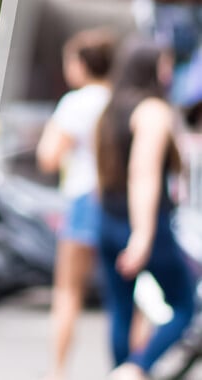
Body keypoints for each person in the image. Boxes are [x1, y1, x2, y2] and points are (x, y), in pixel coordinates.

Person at [96, 39, 195, 380]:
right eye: (165, 65)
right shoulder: (152, 110)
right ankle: (137, 367)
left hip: (108, 218)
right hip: (142, 224)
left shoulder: (112, 107)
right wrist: (142, 235)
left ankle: (121, 370)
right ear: (151, 68)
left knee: (121, 309)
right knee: (185, 304)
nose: (169, 73)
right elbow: (144, 175)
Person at [36, 29, 115, 380]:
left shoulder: (75, 103)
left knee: (69, 291)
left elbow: (48, 158)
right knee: (124, 293)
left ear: (81, 64)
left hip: (83, 199)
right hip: (118, 202)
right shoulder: (123, 99)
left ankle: (59, 371)